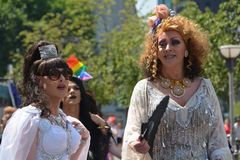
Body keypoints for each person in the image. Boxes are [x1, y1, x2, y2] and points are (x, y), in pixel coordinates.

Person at [122, 4, 232, 160]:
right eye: (162, 44)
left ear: (187, 49)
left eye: (175, 42)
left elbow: (218, 141)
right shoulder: (143, 89)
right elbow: (132, 132)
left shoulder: (205, 86)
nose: (168, 48)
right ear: (155, 52)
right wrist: (136, 143)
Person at [0, 41, 90, 159]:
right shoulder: (29, 117)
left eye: (66, 73)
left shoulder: (64, 119)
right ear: (38, 80)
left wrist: (83, 139)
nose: (62, 78)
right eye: (54, 74)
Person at [61, 76, 121, 160]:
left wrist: (102, 124)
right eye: (68, 89)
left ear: (81, 95)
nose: (72, 91)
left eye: (76, 88)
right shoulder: (55, 120)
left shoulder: (92, 121)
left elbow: (106, 139)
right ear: (60, 97)